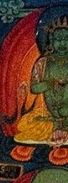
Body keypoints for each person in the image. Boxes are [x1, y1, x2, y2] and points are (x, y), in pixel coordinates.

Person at [15, 14, 68, 144]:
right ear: (51, 41)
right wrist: (49, 83)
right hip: (49, 114)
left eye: (66, 39)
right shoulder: (42, 63)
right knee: (24, 124)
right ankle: (57, 128)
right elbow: (34, 89)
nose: (62, 43)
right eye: (58, 39)